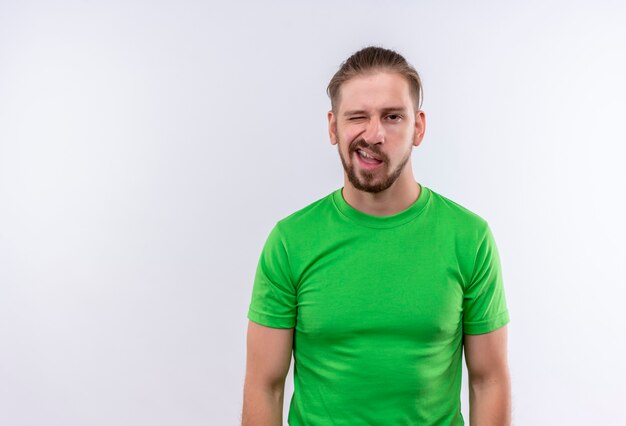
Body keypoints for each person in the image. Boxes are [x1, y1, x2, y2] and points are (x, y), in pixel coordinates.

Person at [242, 46, 511, 426]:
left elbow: (489, 380)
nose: (374, 134)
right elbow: (264, 385)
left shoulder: (470, 238)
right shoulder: (290, 241)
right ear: (333, 127)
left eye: (392, 116)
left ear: (418, 127)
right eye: (358, 117)